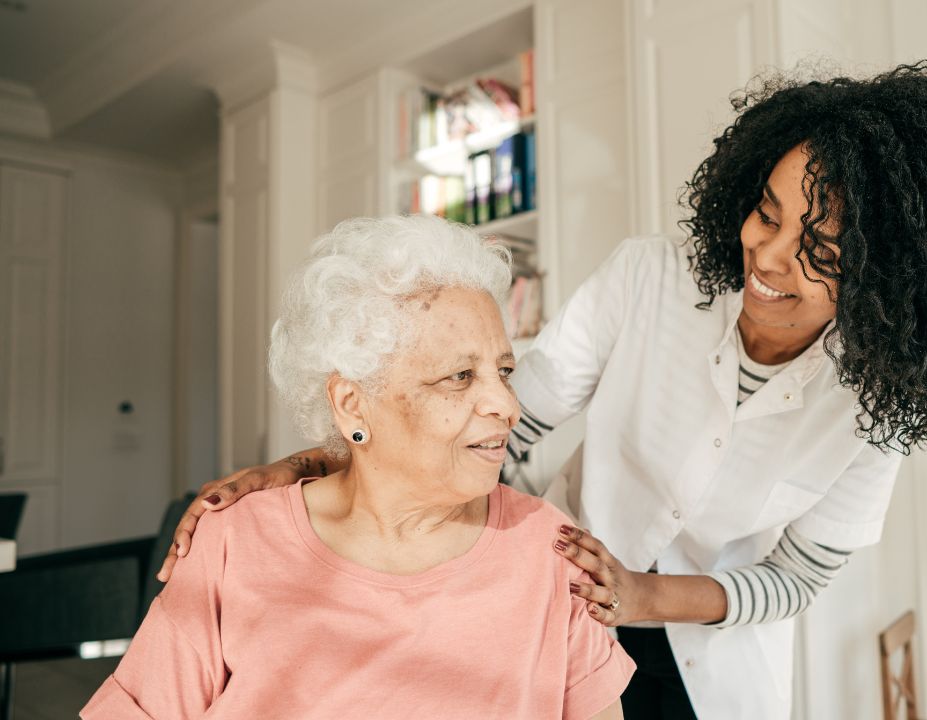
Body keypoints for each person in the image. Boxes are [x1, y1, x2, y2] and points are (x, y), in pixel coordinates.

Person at [160, 62, 927, 719]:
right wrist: (325, 462)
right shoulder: (651, 279)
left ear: (892, 278)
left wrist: (645, 597)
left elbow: (797, 578)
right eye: (767, 210)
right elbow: (506, 427)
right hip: (556, 599)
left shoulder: (878, 407)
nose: (766, 255)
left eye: (821, 252)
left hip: (712, 658)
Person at [84, 217, 633, 719]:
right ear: (351, 404)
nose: (508, 407)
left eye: (505, 370)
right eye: (460, 377)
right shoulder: (235, 540)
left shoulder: (551, 550)